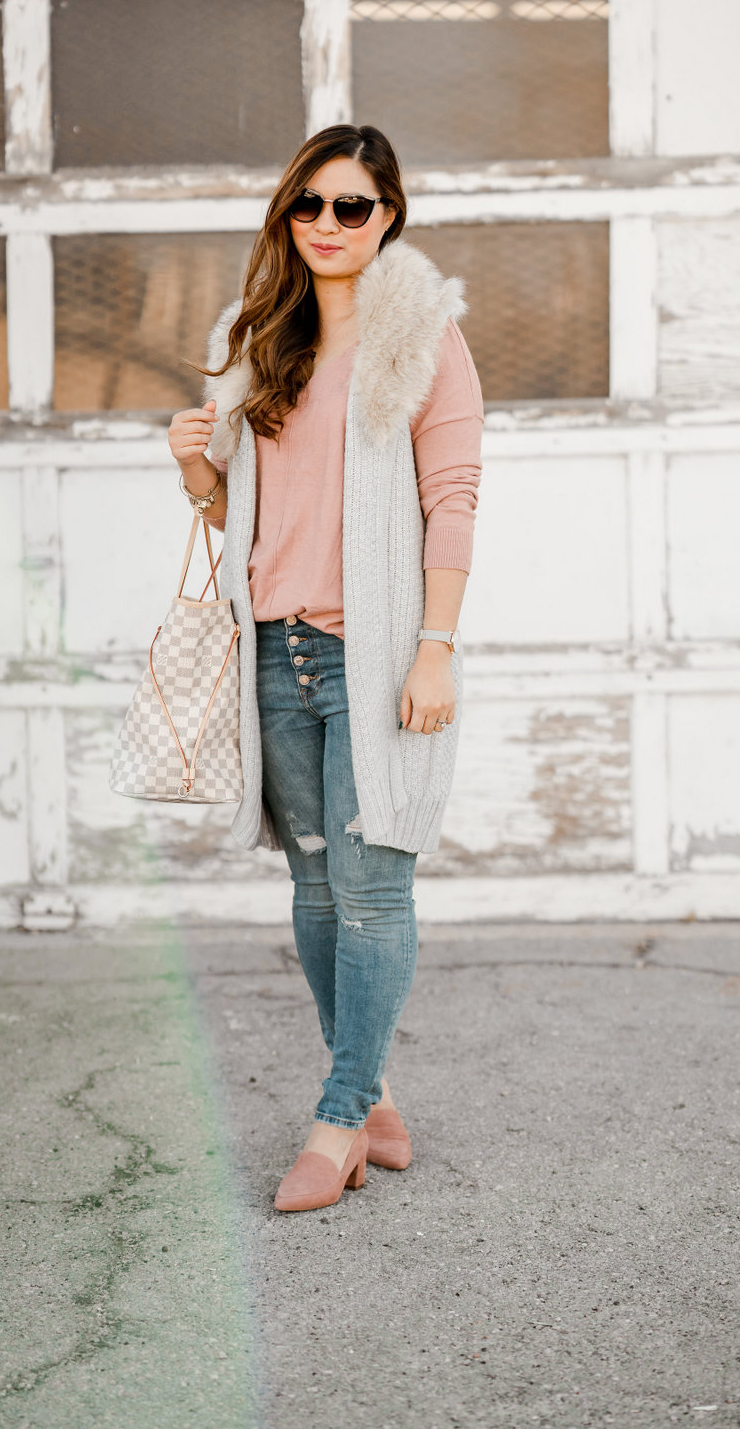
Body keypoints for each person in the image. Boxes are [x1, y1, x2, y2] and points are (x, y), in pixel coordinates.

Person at [167, 124, 483, 1213]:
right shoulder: (255, 337)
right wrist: (191, 472)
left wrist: (433, 647)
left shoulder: (421, 340)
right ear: (286, 215)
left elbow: (453, 500)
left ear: (387, 212)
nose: (327, 226)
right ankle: (374, 1096)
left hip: (376, 652)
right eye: (308, 205)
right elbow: (229, 513)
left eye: (351, 206)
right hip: (273, 646)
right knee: (310, 883)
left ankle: (338, 1114)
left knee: (372, 882)